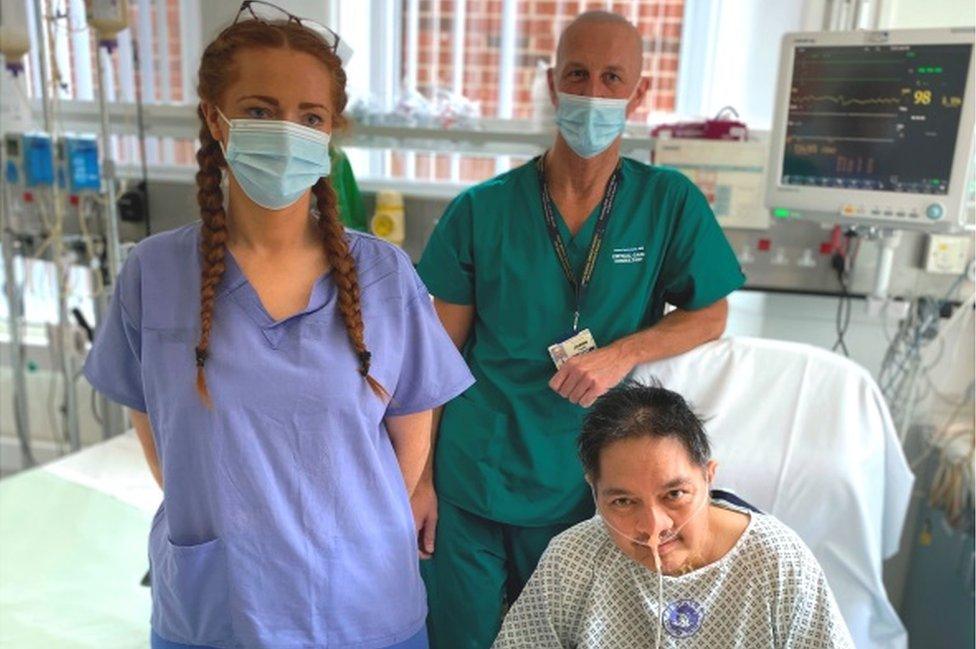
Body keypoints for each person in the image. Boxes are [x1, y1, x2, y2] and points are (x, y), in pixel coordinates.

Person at [83, 3, 473, 648]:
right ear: (216, 117)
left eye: (310, 117)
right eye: (260, 111)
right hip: (218, 604)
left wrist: (340, 541)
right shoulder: (155, 273)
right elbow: (161, 441)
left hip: (360, 605)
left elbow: (412, 442)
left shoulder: (382, 275)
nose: (286, 132)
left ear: (328, 135)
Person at [413, 11, 745, 647]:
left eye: (612, 77)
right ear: (551, 84)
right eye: (578, 75)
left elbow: (712, 314)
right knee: (462, 638)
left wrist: (623, 353)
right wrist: (420, 482)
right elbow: (431, 359)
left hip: (587, 484)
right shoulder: (481, 211)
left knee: (564, 636)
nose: (593, 93)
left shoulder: (667, 203)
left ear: (638, 93)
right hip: (475, 471)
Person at [493, 381, 855, 648]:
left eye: (675, 495)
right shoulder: (574, 559)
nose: (653, 529)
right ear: (594, 491)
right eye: (623, 502)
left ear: (709, 477)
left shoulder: (775, 563)